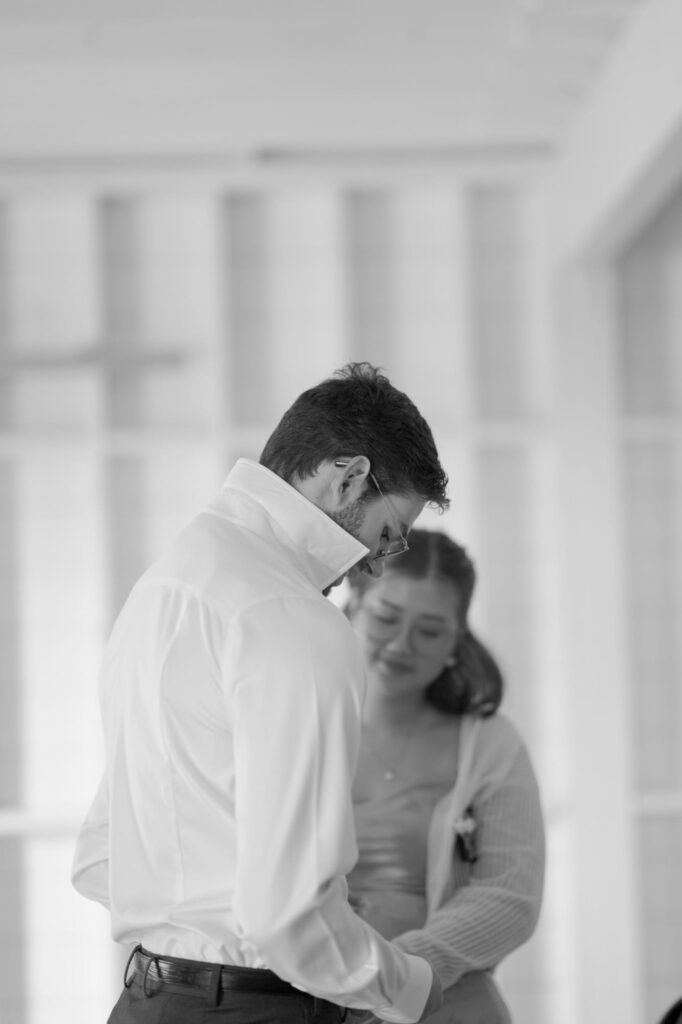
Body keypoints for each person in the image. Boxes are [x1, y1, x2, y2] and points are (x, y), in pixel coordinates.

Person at [71, 362, 450, 1024]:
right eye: (390, 531)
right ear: (349, 477)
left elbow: (101, 857)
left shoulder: (163, 588)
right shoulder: (292, 617)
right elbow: (288, 918)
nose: (381, 562)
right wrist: (408, 987)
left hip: (145, 1001)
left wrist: (191, 932)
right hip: (255, 1009)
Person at [345, 529, 545, 1023]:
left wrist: (399, 975)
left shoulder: (490, 745)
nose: (401, 644)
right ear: (352, 609)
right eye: (386, 618)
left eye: (430, 630)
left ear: (457, 638)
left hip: (448, 1007)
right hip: (312, 1004)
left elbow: (511, 896)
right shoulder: (292, 729)